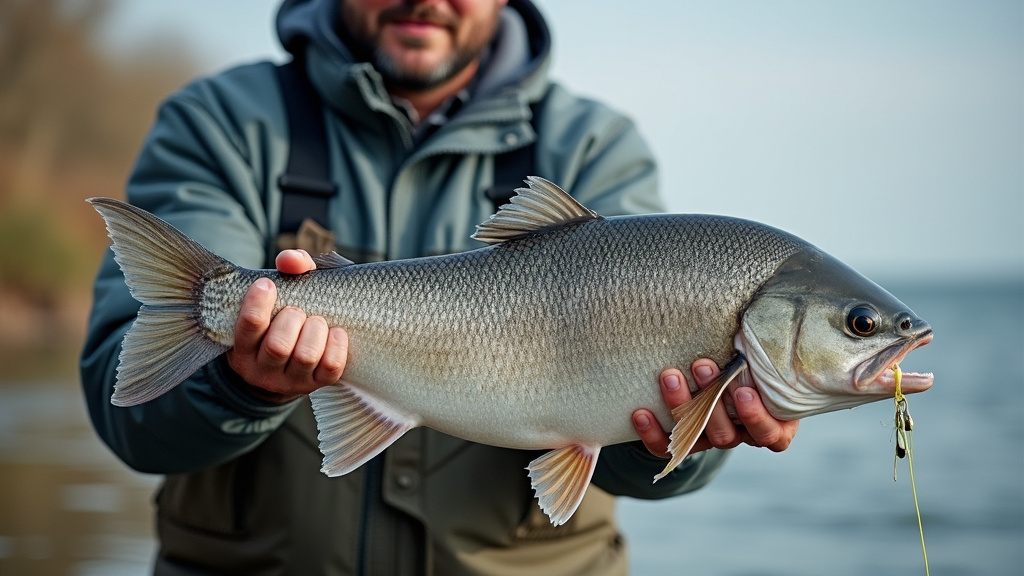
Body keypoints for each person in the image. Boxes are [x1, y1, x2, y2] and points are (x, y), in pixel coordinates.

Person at [81, 0, 798, 574]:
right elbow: (132, 423)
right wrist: (244, 384)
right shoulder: (222, 121)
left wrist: (683, 438)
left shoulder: (593, 148)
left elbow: (637, 467)